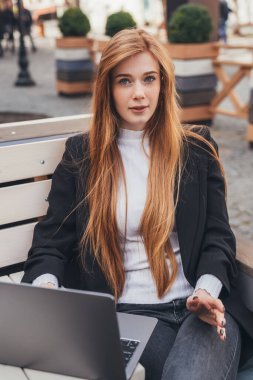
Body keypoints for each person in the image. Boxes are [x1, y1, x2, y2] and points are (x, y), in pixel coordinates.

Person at [22, 29, 253, 379]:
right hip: (129, 315)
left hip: (200, 309)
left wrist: (206, 291)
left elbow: (218, 236)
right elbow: (49, 245)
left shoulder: (197, 149)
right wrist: (50, 295)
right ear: (108, 90)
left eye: (149, 79)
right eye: (125, 81)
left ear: (164, 83)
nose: (140, 94)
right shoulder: (82, 157)